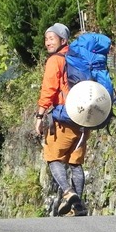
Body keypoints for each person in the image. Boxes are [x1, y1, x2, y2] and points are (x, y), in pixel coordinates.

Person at [35, 23, 89, 217]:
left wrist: (40, 115)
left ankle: (69, 193)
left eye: (52, 38)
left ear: (63, 40)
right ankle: (78, 206)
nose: (47, 42)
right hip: (85, 119)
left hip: (64, 117)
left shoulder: (55, 61)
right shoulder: (79, 58)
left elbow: (49, 90)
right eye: (46, 38)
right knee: (75, 162)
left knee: (53, 157)